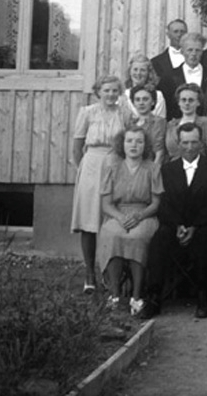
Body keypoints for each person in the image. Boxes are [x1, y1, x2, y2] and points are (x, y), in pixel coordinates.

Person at [142, 122, 207, 319]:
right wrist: (178, 225)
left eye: (194, 142)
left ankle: (203, 296)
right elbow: (164, 204)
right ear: (178, 144)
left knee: (206, 239)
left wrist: (194, 227)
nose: (189, 147)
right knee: (159, 239)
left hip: (203, 225)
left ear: (201, 143)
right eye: (185, 143)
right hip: (175, 226)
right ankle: (154, 296)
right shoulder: (167, 169)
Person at [71, 74, 135, 292]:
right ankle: (90, 274)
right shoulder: (87, 113)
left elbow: (131, 141)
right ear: (98, 92)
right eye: (106, 90)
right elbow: (77, 147)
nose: (110, 94)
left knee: (114, 221)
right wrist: (84, 171)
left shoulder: (125, 113)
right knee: (89, 222)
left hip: (116, 166)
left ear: (120, 93)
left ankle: (111, 274)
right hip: (92, 166)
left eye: (115, 90)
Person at [97, 126, 162, 316]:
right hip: (117, 213)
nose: (134, 145)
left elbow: (156, 203)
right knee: (112, 235)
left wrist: (139, 216)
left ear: (145, 145)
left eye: (139, 141)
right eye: (129, 141)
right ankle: (114, 295)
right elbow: (106, 204)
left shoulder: (153, 168)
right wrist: (120, 217)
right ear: (122, 144)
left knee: (137, 237)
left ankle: (136, 296)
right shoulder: (112, 168)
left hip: (144, 214)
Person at [158, 32, 207, 120]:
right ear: (182, 52)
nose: (194, 53)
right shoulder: (169, 77)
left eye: (197, 50)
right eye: (190, 50)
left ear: (202, 52)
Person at [165, 83, 207, 160]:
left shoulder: (206, 122)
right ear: (179, 102)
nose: (187, 103)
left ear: (198, 102)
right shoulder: (171, 125)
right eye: (183, 100)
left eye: (191, 100)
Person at [129, 85, 167, 164]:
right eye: (137, 100)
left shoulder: (158, 122)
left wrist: (153, 170)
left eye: (145, 99)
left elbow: (159, 153)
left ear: (153, 102)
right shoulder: (130, 123)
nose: (141, 103)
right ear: (133, 103)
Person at [123, 53, 166, 118]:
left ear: (149, 73)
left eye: (142, 70)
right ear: (130, 72)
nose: (138, 73)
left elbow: (161, 120)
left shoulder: (158, 96)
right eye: (135, 69)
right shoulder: (124, 95)